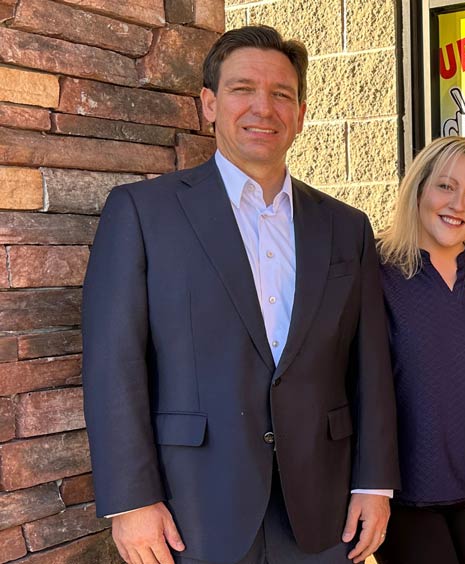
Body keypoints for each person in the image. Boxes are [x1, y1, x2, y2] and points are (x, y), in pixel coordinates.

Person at [82, 25, 399, 564]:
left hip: (320, 508)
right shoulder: (142, 213)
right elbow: (114, 363)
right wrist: (131, 500)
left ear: (300, 113)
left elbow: (369, 364)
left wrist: (375, 483)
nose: (264, 107)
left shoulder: (347, 227)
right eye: (242, 89)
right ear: (208, 104)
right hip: (193, 509)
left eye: (282, 94)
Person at [374, 136, 465, 564]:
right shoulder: (373, 271)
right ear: (419, 188)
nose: (458, 204)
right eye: (445, 186)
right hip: (402, 490)